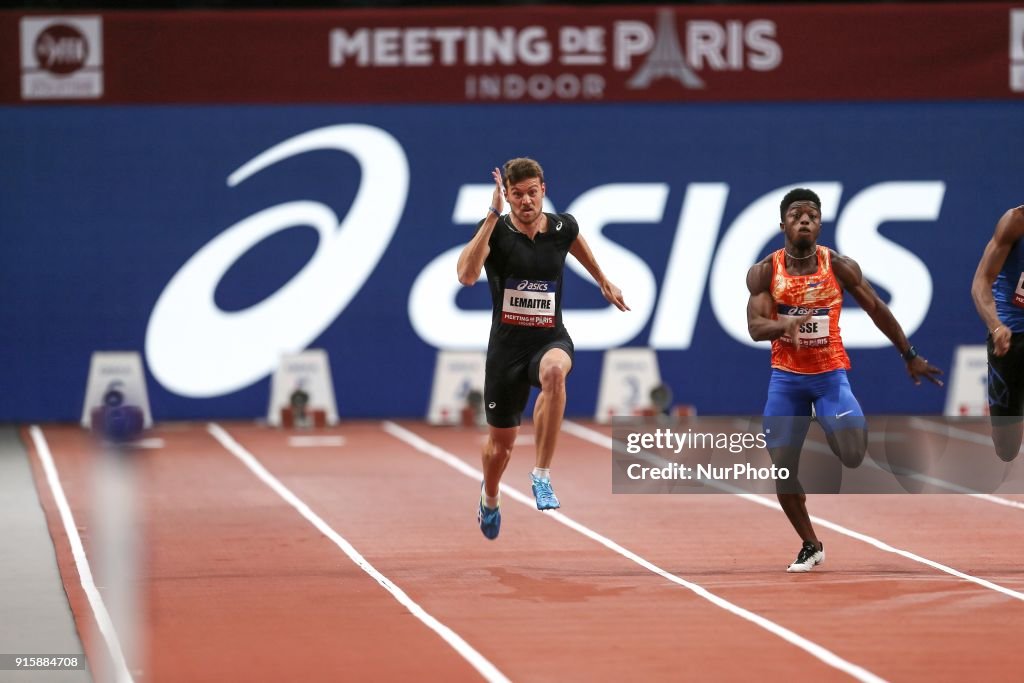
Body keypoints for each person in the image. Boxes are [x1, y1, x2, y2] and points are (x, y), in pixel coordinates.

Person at [745, 188, 943, 572]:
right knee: (782, 468)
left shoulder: (838, 266)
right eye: (797, 215)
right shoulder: (766, 272)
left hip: (829, 374)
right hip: (786, 379)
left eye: (812, 215)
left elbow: (877, 308)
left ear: (820, 224)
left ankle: (826, 415)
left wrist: (910, 354)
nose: (805, 220)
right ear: (782, 223)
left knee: (852, 455)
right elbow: (755, 328)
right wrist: (785, 323)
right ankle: (810, 543)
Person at [456, 158, 629, 540]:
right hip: (506, 351)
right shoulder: (496, 233)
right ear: (508, 196)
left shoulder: (562, 226)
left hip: (549, 337)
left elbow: (575, 240)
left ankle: (542, 475)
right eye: (516, 195)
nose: (526, 201)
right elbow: (466, 276)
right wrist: (490, 216)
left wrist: (603, 279)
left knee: (554, 372)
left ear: (543, 191)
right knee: (500, 448)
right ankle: (490, 494)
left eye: (532, 192)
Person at [971, 204, 1024, 461]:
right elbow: (981, 281)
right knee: (1007, 448)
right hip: (1012, 335)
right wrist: (996, 325)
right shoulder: (1015, 221)